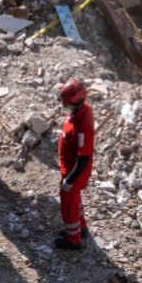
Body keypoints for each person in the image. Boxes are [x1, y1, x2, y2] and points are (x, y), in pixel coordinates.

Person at [55, 78, 94, 250]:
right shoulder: (80, 112)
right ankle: (81, 228)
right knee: (76, 200)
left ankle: (74, 239)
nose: (66, 107)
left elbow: (83, 158)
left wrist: (69, 181)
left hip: (74, 172)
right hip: (70, 169)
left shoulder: (83, 124)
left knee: (69, 206)